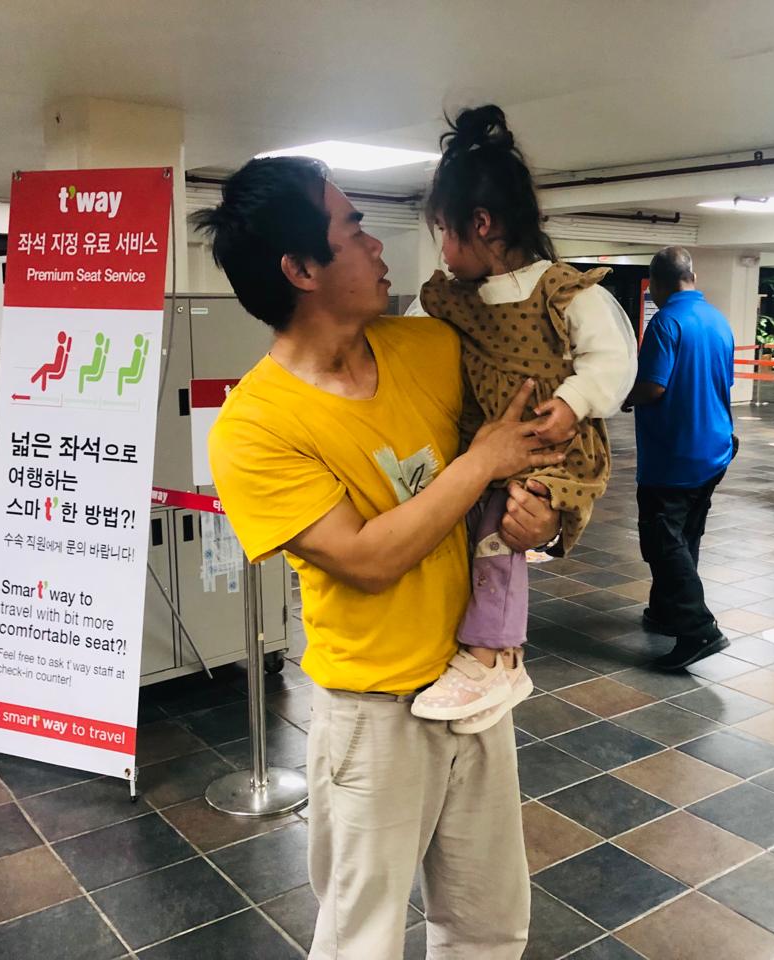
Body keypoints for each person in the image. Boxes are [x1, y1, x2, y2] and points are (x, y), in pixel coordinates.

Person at [194, 156, 561, 959]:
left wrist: (541, 519)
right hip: (374, 711)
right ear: (301, 269)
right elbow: (363, 559)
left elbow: (518, 457)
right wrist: (481, 465)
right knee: (362, 936)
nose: (379, 244)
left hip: (474, 684)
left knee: (490, 925)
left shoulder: (429, 346)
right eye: (352, 227)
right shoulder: (253, 428)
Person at [409, 104, 637, 731]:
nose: (444, 252)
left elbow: (613, 360)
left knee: (498, 533)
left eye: (445, 234)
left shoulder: (563, 291)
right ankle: (480, 648)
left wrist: (571, 404)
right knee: (466, 527)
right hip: (485, 444)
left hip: (548, 448)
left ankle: (492, 657)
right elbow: (408, 338)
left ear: (481, 224)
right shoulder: (454, 298)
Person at [623, 246, 736, 670]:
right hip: (715, 447)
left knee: (662, 539)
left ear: (656, 284)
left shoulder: (666, 322)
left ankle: (698, 629)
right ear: (692, 274)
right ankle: (666, 611)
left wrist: (619, 398)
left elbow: (653, 386)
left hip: (675, 454)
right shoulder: (717, 320)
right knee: (685, 535)